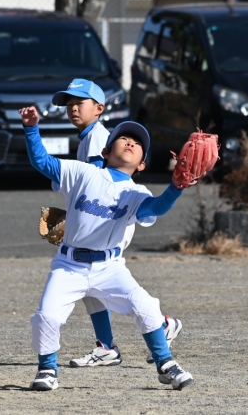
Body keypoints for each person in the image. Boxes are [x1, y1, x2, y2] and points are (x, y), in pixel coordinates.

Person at [19, 105, 195, 391]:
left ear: (141, 165)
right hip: (69, 265)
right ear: (105, 151)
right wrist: (31, 128)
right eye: (123, 138)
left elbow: (155, 208)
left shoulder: (137, 192)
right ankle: (47, 369)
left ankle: (165, 364)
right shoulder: (83, 172)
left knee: (146, 306)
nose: (130, 143)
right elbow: (41, 161)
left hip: (110, 268)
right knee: (46, 316)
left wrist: (175, 187)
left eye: (137, 143)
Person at [52, 79, 183, 368]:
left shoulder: (98, 139)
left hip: (110, 222)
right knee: (90, 286)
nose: (73, 108)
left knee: (99, 279)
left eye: (80, 102)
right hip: (105, 220)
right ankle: (107, 345)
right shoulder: (90, 136)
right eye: (69, 103)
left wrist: (78, 218)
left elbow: (99, 187)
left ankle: (160, 324)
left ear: (99, 108)